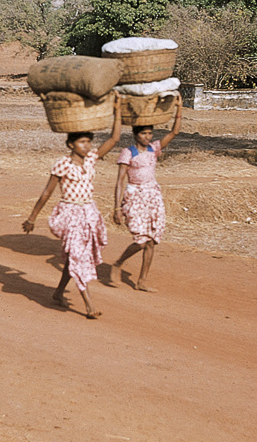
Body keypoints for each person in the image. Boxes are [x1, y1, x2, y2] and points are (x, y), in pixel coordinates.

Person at [23, 98, 122, 319]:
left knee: (74, 257)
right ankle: (88, 305)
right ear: (71, 145)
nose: (87, 146)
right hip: (70, 214)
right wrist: (32, 218)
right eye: (82, 142)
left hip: (89, 213)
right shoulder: (62, 164)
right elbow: (47, 192)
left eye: (89, 142)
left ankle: (58, 293)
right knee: (78, 256)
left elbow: (115, 139)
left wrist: (117, 111)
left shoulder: (91, 160)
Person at [111, 96, 183, 292]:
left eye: (150, 133)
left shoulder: (154, 149)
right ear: (136, 135)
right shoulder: (128, 153)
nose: (147, 137)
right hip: (134, 197)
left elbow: (175, 132)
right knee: (141, 241)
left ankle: (142, 281)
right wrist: (117, 208)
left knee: (151, 241)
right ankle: (118, 263)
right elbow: (120, 181)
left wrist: (179, 106)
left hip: (153, 196)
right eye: (144, 133)